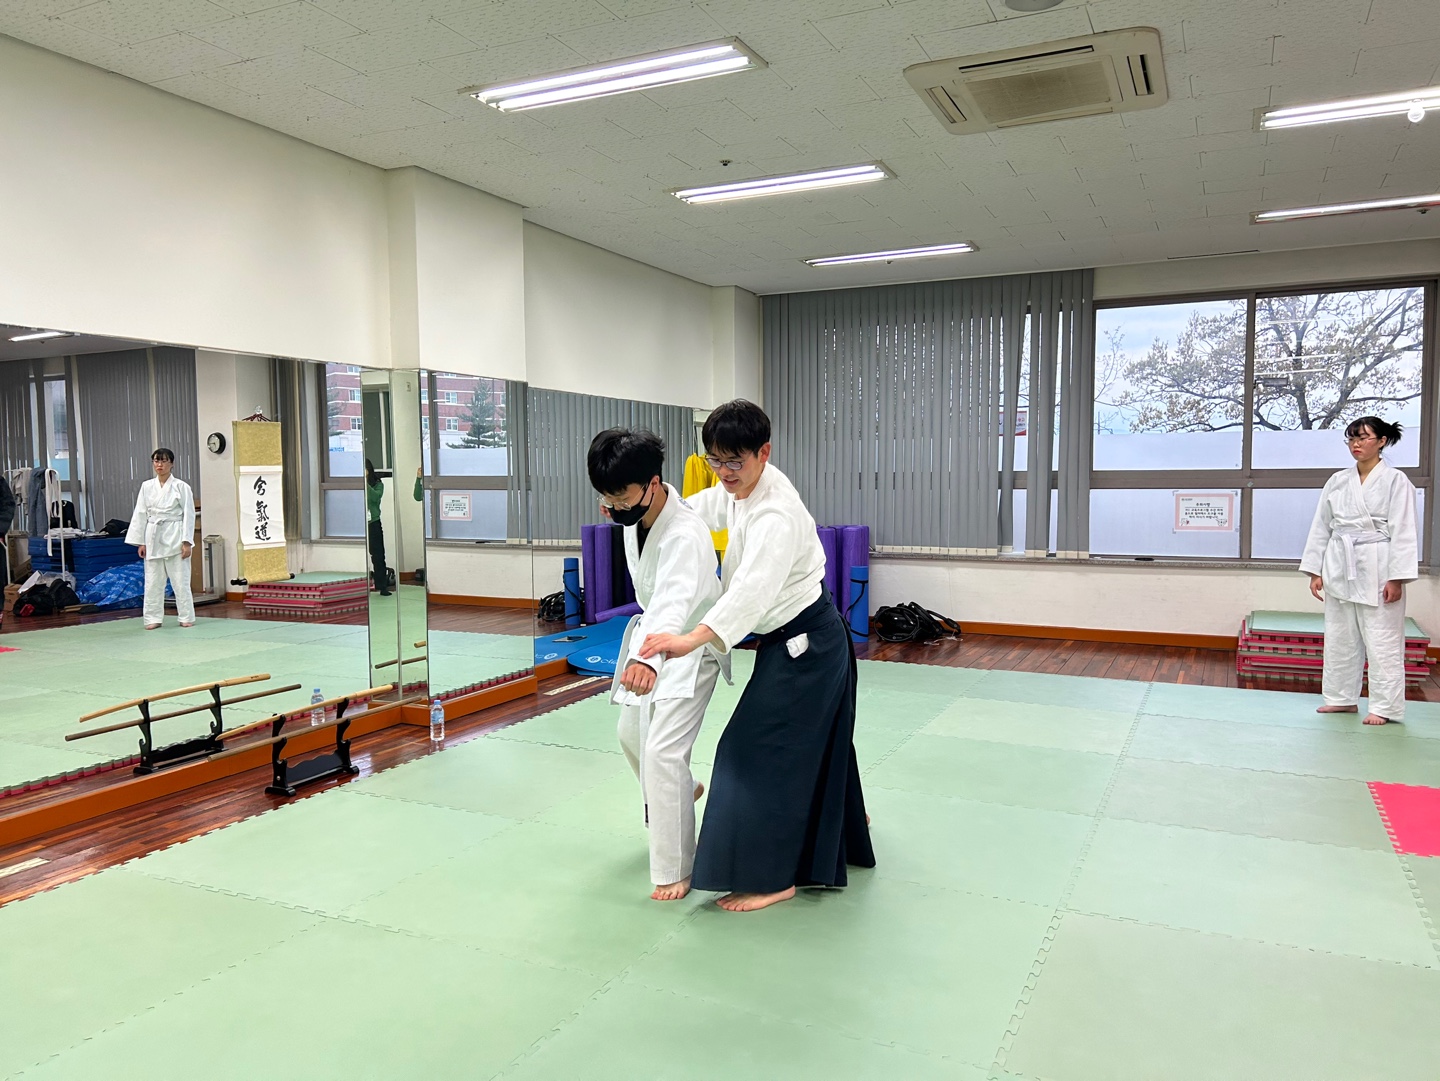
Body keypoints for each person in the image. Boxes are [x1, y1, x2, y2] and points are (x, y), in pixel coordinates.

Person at [639, 399, 874, 913]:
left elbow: (751, 591)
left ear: (763, 452)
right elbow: (704, 506)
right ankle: (839, 827)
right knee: (811, 742)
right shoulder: (742, 489)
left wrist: (691, 638)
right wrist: (655, 504)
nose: (724, 472)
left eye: (734, 462)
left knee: (752, 753)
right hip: (799, 642)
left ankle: (773, 877)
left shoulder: (775, 513)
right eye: (715, 460)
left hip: (808, 647)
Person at [589, 428, 727, 901]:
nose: (614, 506)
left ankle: (676, 868)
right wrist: (619, 504)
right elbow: (654, 595)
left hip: (691, 642)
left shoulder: (684, 532)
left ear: (652, 483)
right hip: (655, 635)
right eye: (606, 497)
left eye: (621, 496)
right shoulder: (638, 516)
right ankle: (683, 791)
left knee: (664, 752)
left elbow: (672, 597)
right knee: (630, 735)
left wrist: (646, 659)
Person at [1300, 417, 1419, 726]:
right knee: (1340, 636)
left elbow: (1404, 531)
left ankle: (1385, 707)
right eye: (1351, 438)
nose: (1356, 444)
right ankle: (1341, 698)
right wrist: (1315, 570)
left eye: (1363, 438)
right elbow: (1321, 526)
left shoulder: (1396, 480)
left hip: (1378, 564)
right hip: (1340, 562)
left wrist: (1397, 578)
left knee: (1382, 639)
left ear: (1382, 441)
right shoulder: (1338, 480)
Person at [125, 448, 196, 630]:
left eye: (164, 461)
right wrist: (141, 542)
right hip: (153, 535)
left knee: (180, 580)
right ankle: (152, 618)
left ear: (172, 464)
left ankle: (186, 616)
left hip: (175, 534)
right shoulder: (147, 486)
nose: (159, 465)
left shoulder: (181, 487)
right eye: (156, 461)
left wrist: (187, 541)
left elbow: (189, 514)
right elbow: (140, 513)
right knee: (153, 581)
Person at [365, 459, 391, 596]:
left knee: (378, 555)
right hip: (359, 523)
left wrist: (364, 483)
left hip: (373, 522)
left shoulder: (378, 484)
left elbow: (374, 498)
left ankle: (382, 586)